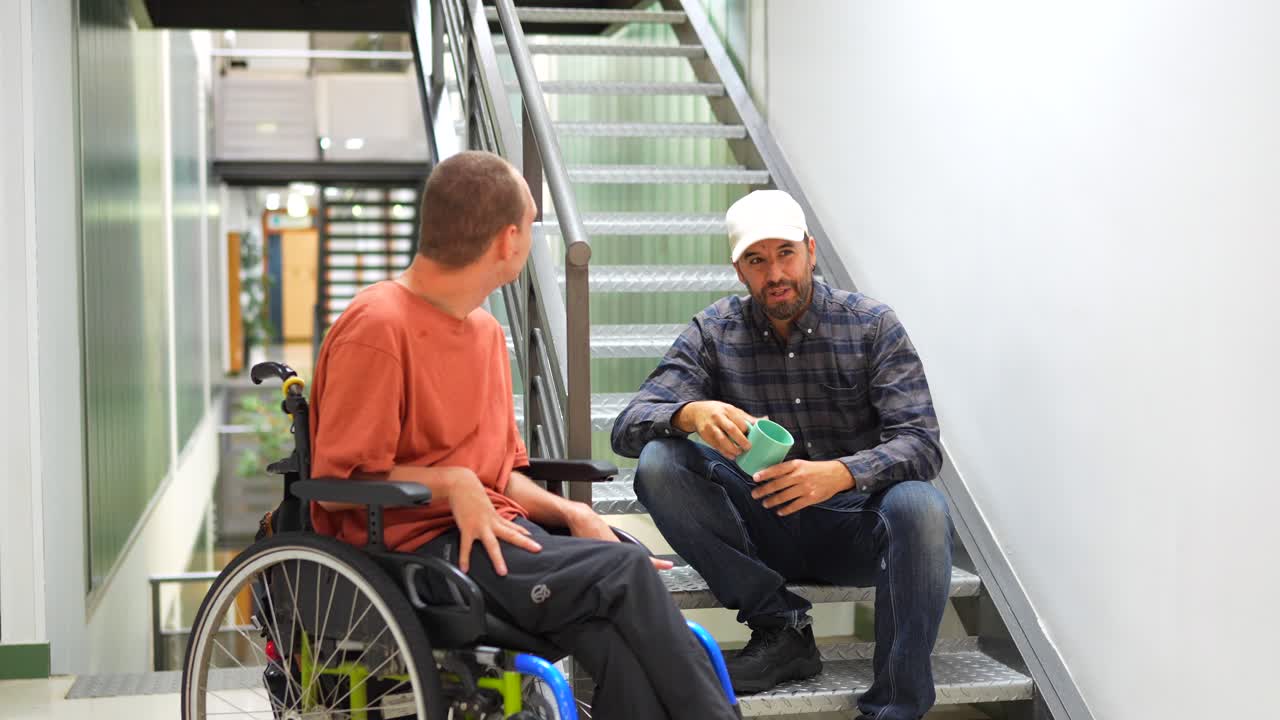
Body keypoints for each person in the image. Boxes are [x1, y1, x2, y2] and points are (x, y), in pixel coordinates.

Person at [308, 150, 737, 720]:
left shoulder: (485, 331)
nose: (533, 240)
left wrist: (572, 515)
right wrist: (451, 485)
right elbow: (338, 484)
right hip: (412, 551)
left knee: (617, 634)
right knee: (627, 571)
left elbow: (502, 472)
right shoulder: (378, 326)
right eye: (532, 226)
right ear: (508, 240)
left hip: (498, 532)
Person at [611, 189, 953, 720]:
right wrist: (689, 413)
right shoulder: (714, 331)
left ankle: (896, 707)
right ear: (739, 270)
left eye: (785, 253)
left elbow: (922, 443)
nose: (775, 273)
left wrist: (840, 473)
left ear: (811, 251)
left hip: (856, 527)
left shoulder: (871, 326)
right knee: (661, 461)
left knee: (922, 507)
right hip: (760, 528)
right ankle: (782, 627)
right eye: (757, 260)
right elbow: (629, 426)